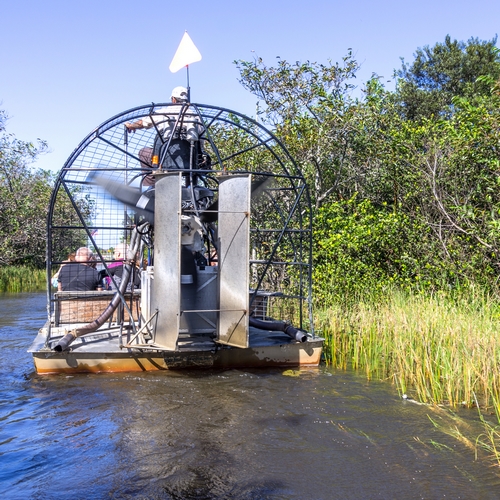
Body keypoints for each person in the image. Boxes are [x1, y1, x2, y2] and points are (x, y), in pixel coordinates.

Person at [125, 86, 208, 186]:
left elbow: (143, 122)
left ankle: (152, 187)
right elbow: (201, 144)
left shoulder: (164, 112)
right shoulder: (197, 117)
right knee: (196, 160)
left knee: (143, 153)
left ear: (173, 99)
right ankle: (191, 187)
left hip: (163, 160)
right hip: (190, 161)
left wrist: (131, 126)